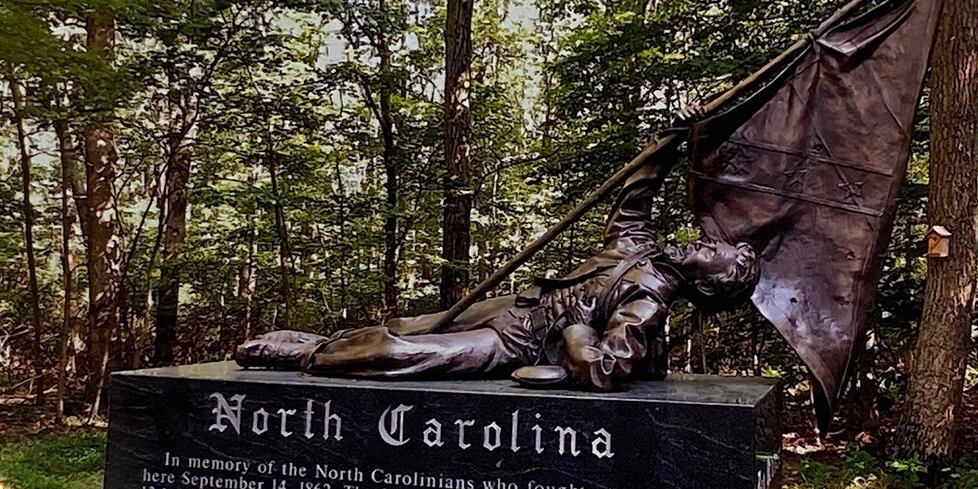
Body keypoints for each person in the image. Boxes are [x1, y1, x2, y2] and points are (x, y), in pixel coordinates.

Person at [233, 136, 758, 392]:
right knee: (405, 325)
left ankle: (300, 357)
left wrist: (575, 328)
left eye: (715, 255)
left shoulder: (646, 302)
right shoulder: (636, 248)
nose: (706, 244)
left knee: (403, 353)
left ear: (708, 284)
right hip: (513, 307)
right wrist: (674, 140)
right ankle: (321, 343)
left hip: (515, 343)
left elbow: (603, 369)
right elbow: (636, 191)